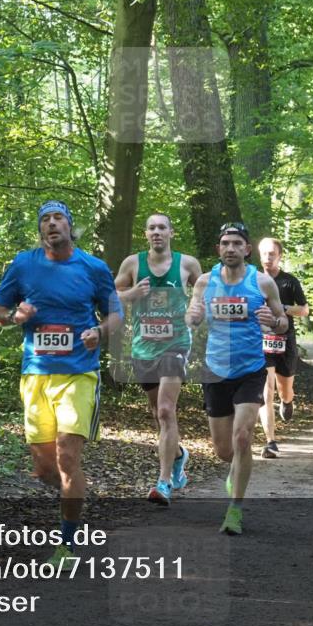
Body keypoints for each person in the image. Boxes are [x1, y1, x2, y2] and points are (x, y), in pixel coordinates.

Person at [0, 200, 121, 565]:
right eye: (45, 219)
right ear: (40, 230)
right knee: (46, 469)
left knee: (66, 455)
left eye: (58, 217)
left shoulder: (93, 267)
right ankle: (73, 484)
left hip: (78, 372)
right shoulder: (23, 264)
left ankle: (67, 544)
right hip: (36, 374)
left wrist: (98, 331)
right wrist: (16, 316)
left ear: (69, 226)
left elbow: (115, 314)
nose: (51, 224)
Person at [185, 222, 289, 535]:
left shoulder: (262, 282)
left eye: (237, 243)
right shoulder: (205, 281)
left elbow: (282, 320)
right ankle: (235, 468)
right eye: (225, 243)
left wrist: (275, 321)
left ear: (246, 249)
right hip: (216, 370)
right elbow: (193, 312)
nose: (231, 248)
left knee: (243, 436)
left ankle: (235, 509)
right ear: (219, 249)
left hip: (250, 369)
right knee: (224, 450)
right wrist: (192, 316)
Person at [115, 213, 202, 506]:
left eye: (162, 227)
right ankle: (178, 455)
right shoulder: (132, 263)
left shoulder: (187, 264)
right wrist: (132, 292)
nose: (157, 232)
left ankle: (163, 482)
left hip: (175, 345)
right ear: (146, 234)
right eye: (151, 228)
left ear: (171, 232)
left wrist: (194, 313)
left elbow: (199, 295)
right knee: (156, 412)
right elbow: (112, 296)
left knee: (166, 410)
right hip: (142, 348)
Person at [257, 237, 310, 458]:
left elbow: (304, 310)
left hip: (285, 339)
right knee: (266, 391)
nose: (268, 257)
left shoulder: (290, 281)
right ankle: (271, 442)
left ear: (280, 256)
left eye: (272, 254)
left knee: (284, 389)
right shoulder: (253, 280)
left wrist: (282, 308)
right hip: (261, 340)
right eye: (265, 253)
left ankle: (288, 401)